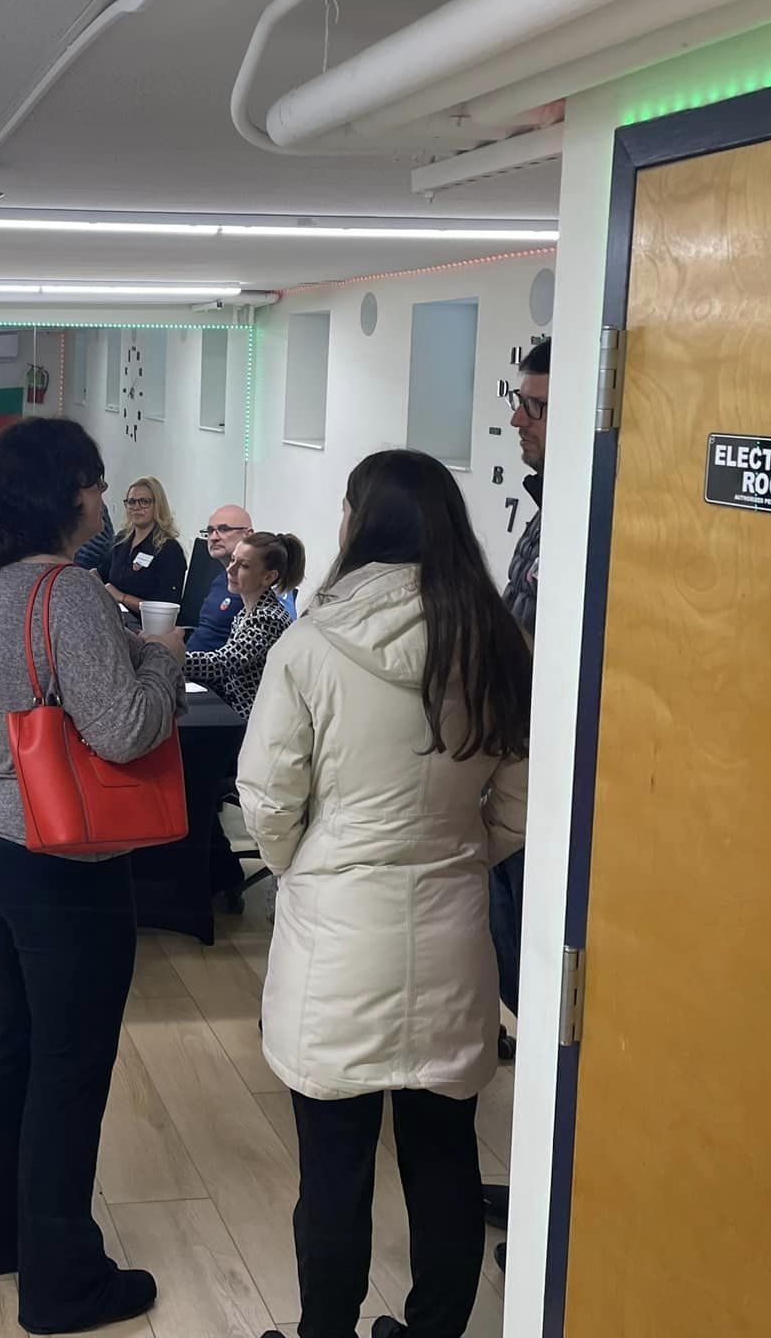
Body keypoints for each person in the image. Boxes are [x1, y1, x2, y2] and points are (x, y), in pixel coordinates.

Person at [240, 451, 531, 1338]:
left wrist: (305, 867)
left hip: (336, 943)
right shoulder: (497, 642)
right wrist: (459, 852)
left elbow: (268, 797)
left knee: (334, 1169)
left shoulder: (309, 644)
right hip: (452, 935)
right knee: (445, 1160)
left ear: (359, 522)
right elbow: (523, 799)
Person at [0, 418, 180, 1335]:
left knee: (12, 1034)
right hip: (61, 854)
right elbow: (121, 729)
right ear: (65, 493)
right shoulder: (69, 591)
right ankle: (62, 1282)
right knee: (70, 1064)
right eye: (94, 482)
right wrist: (163, 665)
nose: (103, 498)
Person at [485, 337, 548, 1253]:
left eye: (534, 406)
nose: (518, 420)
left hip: (546, 793)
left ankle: (550, 1200)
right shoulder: (544, 516)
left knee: (541, 994)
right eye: (521, 401)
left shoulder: (596, 517)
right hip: (509, 772)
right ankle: (537, 1178)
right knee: (520, 988)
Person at [174, 531, 303, 719]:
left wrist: (174, 659)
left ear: (268, 577)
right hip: (232, 709)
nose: (230, 569)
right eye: (233, 560)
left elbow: (224, 663)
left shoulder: (268, 619)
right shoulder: (245, 613)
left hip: (250, 720)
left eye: (244, 565)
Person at [102, 476, 186, 617]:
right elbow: (102, 575)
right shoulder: (121, 541)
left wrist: (122, 597)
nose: (136, 507)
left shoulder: (169, 550)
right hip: (114, 616)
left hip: (145, 625)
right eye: (131, 502)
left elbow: (165, 609)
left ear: (157, 506)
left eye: (144, 502)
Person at [186, 504, 254, 652]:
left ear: (248, 535)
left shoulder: (255, 585)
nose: (213, 538)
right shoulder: (220, 580)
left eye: (224, 529)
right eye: (210, 531)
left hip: (212, 665)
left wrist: (187, 660)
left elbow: (240, 656)